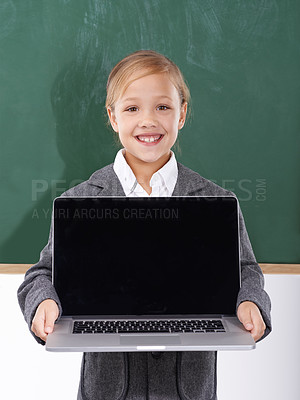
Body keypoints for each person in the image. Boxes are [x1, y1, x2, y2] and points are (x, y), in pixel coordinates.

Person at [18, 50, 272, 400]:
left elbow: (247, 272)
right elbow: (40, 275)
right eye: (132, 108)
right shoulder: (82, 200)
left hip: (188, 388)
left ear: (182, 113)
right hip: (108, 388)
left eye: (163, 107)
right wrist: (43, 302)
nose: (148, 121)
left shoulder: (214, 200)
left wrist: (251, 303)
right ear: (113, 117)